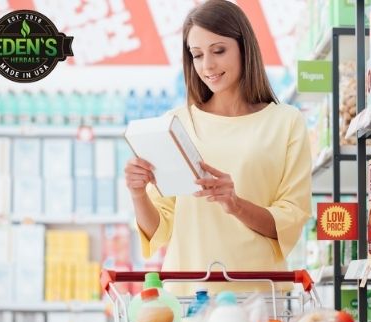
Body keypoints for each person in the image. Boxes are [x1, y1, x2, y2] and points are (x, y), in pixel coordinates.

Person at [124, 0, 312, 296]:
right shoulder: (174, 124)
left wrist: (235, 204)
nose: (207, 66)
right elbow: (159, 228)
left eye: (219, 50)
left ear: (244, 47)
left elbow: (291, 219)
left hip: (260, 296)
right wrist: (137, 194)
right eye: (197, 55)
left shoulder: (286, 122)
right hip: (189, 296)